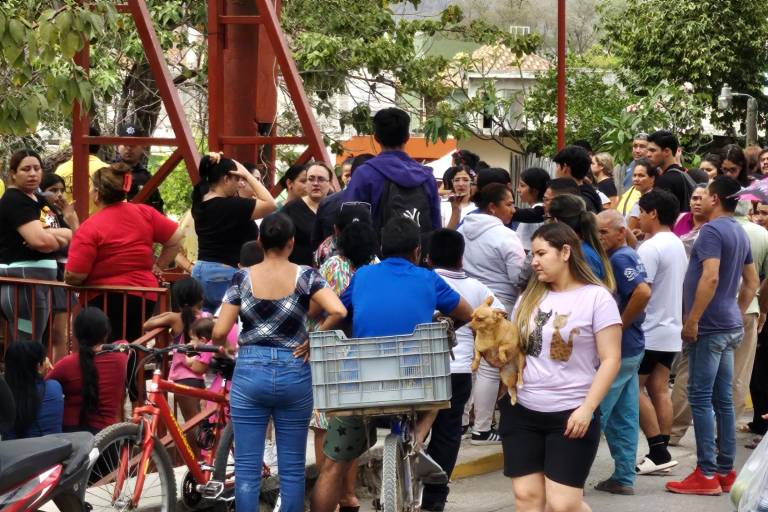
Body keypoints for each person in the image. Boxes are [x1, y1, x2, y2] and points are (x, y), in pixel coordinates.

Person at [311, 218, 472, 512]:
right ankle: (419, 436)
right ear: (417, 251)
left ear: (382, 249)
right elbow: (468, 313)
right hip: (415, 383)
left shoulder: (363, 276)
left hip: (362, 385)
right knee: (439, 383)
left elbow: (341, 312)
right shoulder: (428, 278)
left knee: (333, 466)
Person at [213, 213, 347, 512]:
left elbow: (220, 332)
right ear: (291, 242)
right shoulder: (306, 275)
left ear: (259, 241)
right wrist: (312, 339)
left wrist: (226, 347)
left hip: (250, 370)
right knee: (292, 468)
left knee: (247, 468)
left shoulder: (242, 278)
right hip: (294, 369)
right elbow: (338, 310)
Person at [501, 222, 621, 512]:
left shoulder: (597, 297)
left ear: (565, 252)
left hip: (571, 414)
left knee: (563, 504)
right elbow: (516, 350)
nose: (534, 261)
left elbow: (611, 359)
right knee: (527, 498)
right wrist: (497, 356)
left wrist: (587, 408)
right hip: (523, 410)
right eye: (532, 254)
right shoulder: (527, 298)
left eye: (541, 253)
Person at [666, 176, 759, 495]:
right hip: (728, 324)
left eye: (704, 195)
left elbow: (711, 277)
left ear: (715, 199)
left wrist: (693, 320)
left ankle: (706, 473)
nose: (699, 200)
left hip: (710, 327)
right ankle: (724, 471)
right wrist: (735, 310)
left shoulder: (711, 231)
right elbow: (752, 281)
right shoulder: (738, 230)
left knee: (701, 398)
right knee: (722, 401)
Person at [426, 228, 505, 511]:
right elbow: (500, 314)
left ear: (427, 256)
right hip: (459, 369)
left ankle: (404, 475)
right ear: (461, 258)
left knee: (415, 429)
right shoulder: (477, 288)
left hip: (422, 367)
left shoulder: (425, 280)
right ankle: (435, 498)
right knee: (448, 435)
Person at [65, 163, 183, 342]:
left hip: (104, 297)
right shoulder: (144, 212)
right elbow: (176, 239)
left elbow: (75, 275)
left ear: (97, 193)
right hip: (144, 295)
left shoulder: (90, 226)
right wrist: (158, 266)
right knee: (132, 345)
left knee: (107, 348)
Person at [310, 218, 379, 512]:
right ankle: (348, 495)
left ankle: (331, 499)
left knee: (324, 424)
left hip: (329, 348)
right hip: (360, 351)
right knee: (351, 423)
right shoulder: (375, 267)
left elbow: (321, 308)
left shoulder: (332, 266)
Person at [458, 183, 526, 444]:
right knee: (490, 367)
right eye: (509, 204)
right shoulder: (506, 236)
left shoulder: (462, 229)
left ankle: (462, 423)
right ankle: (482, 428)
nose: (513, 209)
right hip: (498, 307)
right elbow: (518, 276)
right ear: (492, 207)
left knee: (472, 362)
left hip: (467, 302)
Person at [593, 209, 650, 495]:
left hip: (620, 348)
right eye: (597, 231)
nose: (599, 237)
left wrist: (617, 326)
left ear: (620, 232)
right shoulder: (626, 254)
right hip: (631, 347)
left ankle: (571, 477)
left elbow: (642, 292)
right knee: (624, 416)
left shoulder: (620, 258)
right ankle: (624, 477)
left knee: (594, 412)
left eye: (604, 232)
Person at [632, 190, 687, 475]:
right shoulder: (676, 243)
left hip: (649, 330)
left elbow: (643, 291)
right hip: (670, 330)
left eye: (641, 212)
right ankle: (661, 453)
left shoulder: (651, 247)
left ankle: (658, 451)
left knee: (632, 388)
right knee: (659, 389)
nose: (639, 217)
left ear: (653, 213)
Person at [0, 149, 72, 343]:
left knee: (35, 339)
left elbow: (69, 233)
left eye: (37, 168)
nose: (32, 173)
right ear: (13, 173)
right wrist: (49, 238)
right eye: (26, 169)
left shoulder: (40, 201)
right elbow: (40, 242)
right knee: (27, 341)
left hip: (41, 283)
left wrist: (47, 234)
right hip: (23, 284)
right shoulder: (14, 200)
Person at [191, 153, 276, 313]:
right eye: (237, 179)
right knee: (228, 322)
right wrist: (247, 174)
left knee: (204, 322)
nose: (239, 184)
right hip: (223, 273)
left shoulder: (199, 201)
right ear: (226, 179)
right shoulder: (231, 206)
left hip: (200, 270)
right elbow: (271, 204)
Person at [343, 108, 441, 235]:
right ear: (407, 137)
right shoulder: (426, 177)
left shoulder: (364, 174)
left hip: (377, 247)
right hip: (420, 247)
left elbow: (350, 226)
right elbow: (436, 227)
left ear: (376, 137)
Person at [46, 307, 129, 433]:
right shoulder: (120, 357)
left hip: (70, 433)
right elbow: (123, 343)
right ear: (106, 333)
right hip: (107, 435)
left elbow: (44, 386)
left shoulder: (66, 364)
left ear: (76, 335)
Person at [733, 202, 768, 426]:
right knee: (743, 372)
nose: (761, 217)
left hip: (747, 306)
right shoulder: (760, 234)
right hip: (752, 308)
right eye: (759, 212)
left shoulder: (716, 229)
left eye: (765, 213)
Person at [40, 173, 79, 361]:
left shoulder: (63, 215)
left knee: (59, 333)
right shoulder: (41, 213)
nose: (59, 195)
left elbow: (79, 243)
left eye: (62, 190)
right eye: (53, 190)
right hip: (47, 274)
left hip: (62, 276)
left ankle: (58, 372)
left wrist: (71, 219)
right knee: (43, 331)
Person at [547, 194, 615, 290]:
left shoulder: (583, 255)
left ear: (556, 221)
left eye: (548, 219)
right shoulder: (578, 250)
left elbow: (587, 293)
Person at [311, 154, 374, 252]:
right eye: (347, 175)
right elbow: (317, 241)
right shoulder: (328, 203)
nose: (350, 179)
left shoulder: (327, 202)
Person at [1, 340, 63, 439]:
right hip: (54, 447)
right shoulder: (54, 387)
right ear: (38, 366)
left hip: (12, 448)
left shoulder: (4, 394)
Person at [281, 162, 333, 266]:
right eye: (311, 179)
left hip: (331, 270)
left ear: (330, 183)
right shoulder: (290, 209)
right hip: (299, 270)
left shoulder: (337, 207)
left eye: (321, 179)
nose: (315, 183)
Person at [55, 126, 109, 215]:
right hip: (99, 222)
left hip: (68, 222)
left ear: (72, 144)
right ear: (99, 145)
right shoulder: (107, 170)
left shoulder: (61, 170)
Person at [115, 124, 164, 212]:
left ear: (142, 147)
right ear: (118, 146)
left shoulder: (146, 178)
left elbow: (157, 207)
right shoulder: (108, 172)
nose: (129, 148)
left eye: (133, 145)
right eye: (125, 144)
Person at [313, 201, 373, 268]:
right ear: (336, 230)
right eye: (349, 234)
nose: (354, 239)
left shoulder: (374, 256)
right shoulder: (327, 254)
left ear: (336, 229)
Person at [646, 130, 693, 212]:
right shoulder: (684, 174)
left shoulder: (665, 181)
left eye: (652, 150)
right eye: (647, 151)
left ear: (667, 151)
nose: (648, 155)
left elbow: (658, 215)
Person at [553, 145, 602, 213]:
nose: (556, 170)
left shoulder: (573, 203)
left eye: (557, 166)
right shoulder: (590, 194)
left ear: (564, 167)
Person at [513, 167, 551, 251]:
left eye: (522, 185)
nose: (518, 190)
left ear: (535, 191)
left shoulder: (536, 213)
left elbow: (526, 248)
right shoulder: (536, 211)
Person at [624, 158, 657, 234]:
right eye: (634, 175)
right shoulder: (644, 198)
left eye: (641, 176)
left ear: (652, 178)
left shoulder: (647, 202)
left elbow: (629, 231)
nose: (636, 179)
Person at [673, 184, 708, 249]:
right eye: (695, 198)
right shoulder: (679, 218)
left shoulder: (713, 226)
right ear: (690, 201)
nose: (698, 203)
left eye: (702, 199)